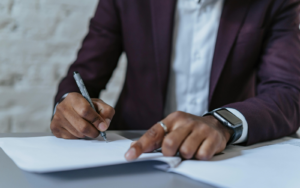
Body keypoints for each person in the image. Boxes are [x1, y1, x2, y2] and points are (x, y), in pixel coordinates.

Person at [51, 0, 300, 161]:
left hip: (226, 158)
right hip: (132, 156)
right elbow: (84, 74)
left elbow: (288, 92)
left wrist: (223, 123)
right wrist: (69, 106)